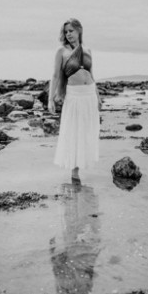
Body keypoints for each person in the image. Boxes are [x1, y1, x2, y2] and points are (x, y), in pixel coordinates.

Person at [49, 18, 101, 182]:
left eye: (71, 30)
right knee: (73, 130)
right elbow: (56, 75)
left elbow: (92, 75)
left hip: (89, 94)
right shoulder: (61, 51)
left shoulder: (87, 50)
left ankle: (82, 163)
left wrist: (98, 96)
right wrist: (50, 99)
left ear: (79, 30)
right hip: (74, 95)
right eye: (66, 32)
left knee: (86, 131)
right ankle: (74, 171)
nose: (68, 34)